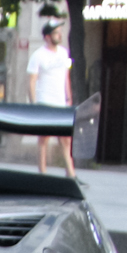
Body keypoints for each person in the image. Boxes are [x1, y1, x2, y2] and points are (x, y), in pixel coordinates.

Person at [25, 22, 75, 178]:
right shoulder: (38, 55)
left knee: (65, 138)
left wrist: (68, 97)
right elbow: (32, 80)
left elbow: (66, 77)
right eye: (55, 33)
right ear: (47, 37)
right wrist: (34, 103)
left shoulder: (63, 53)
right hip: (45, 100)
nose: (59, 35)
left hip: (60, 101)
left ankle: (71, 174)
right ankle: (42, 172)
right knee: (44, 138)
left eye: (60, 32)